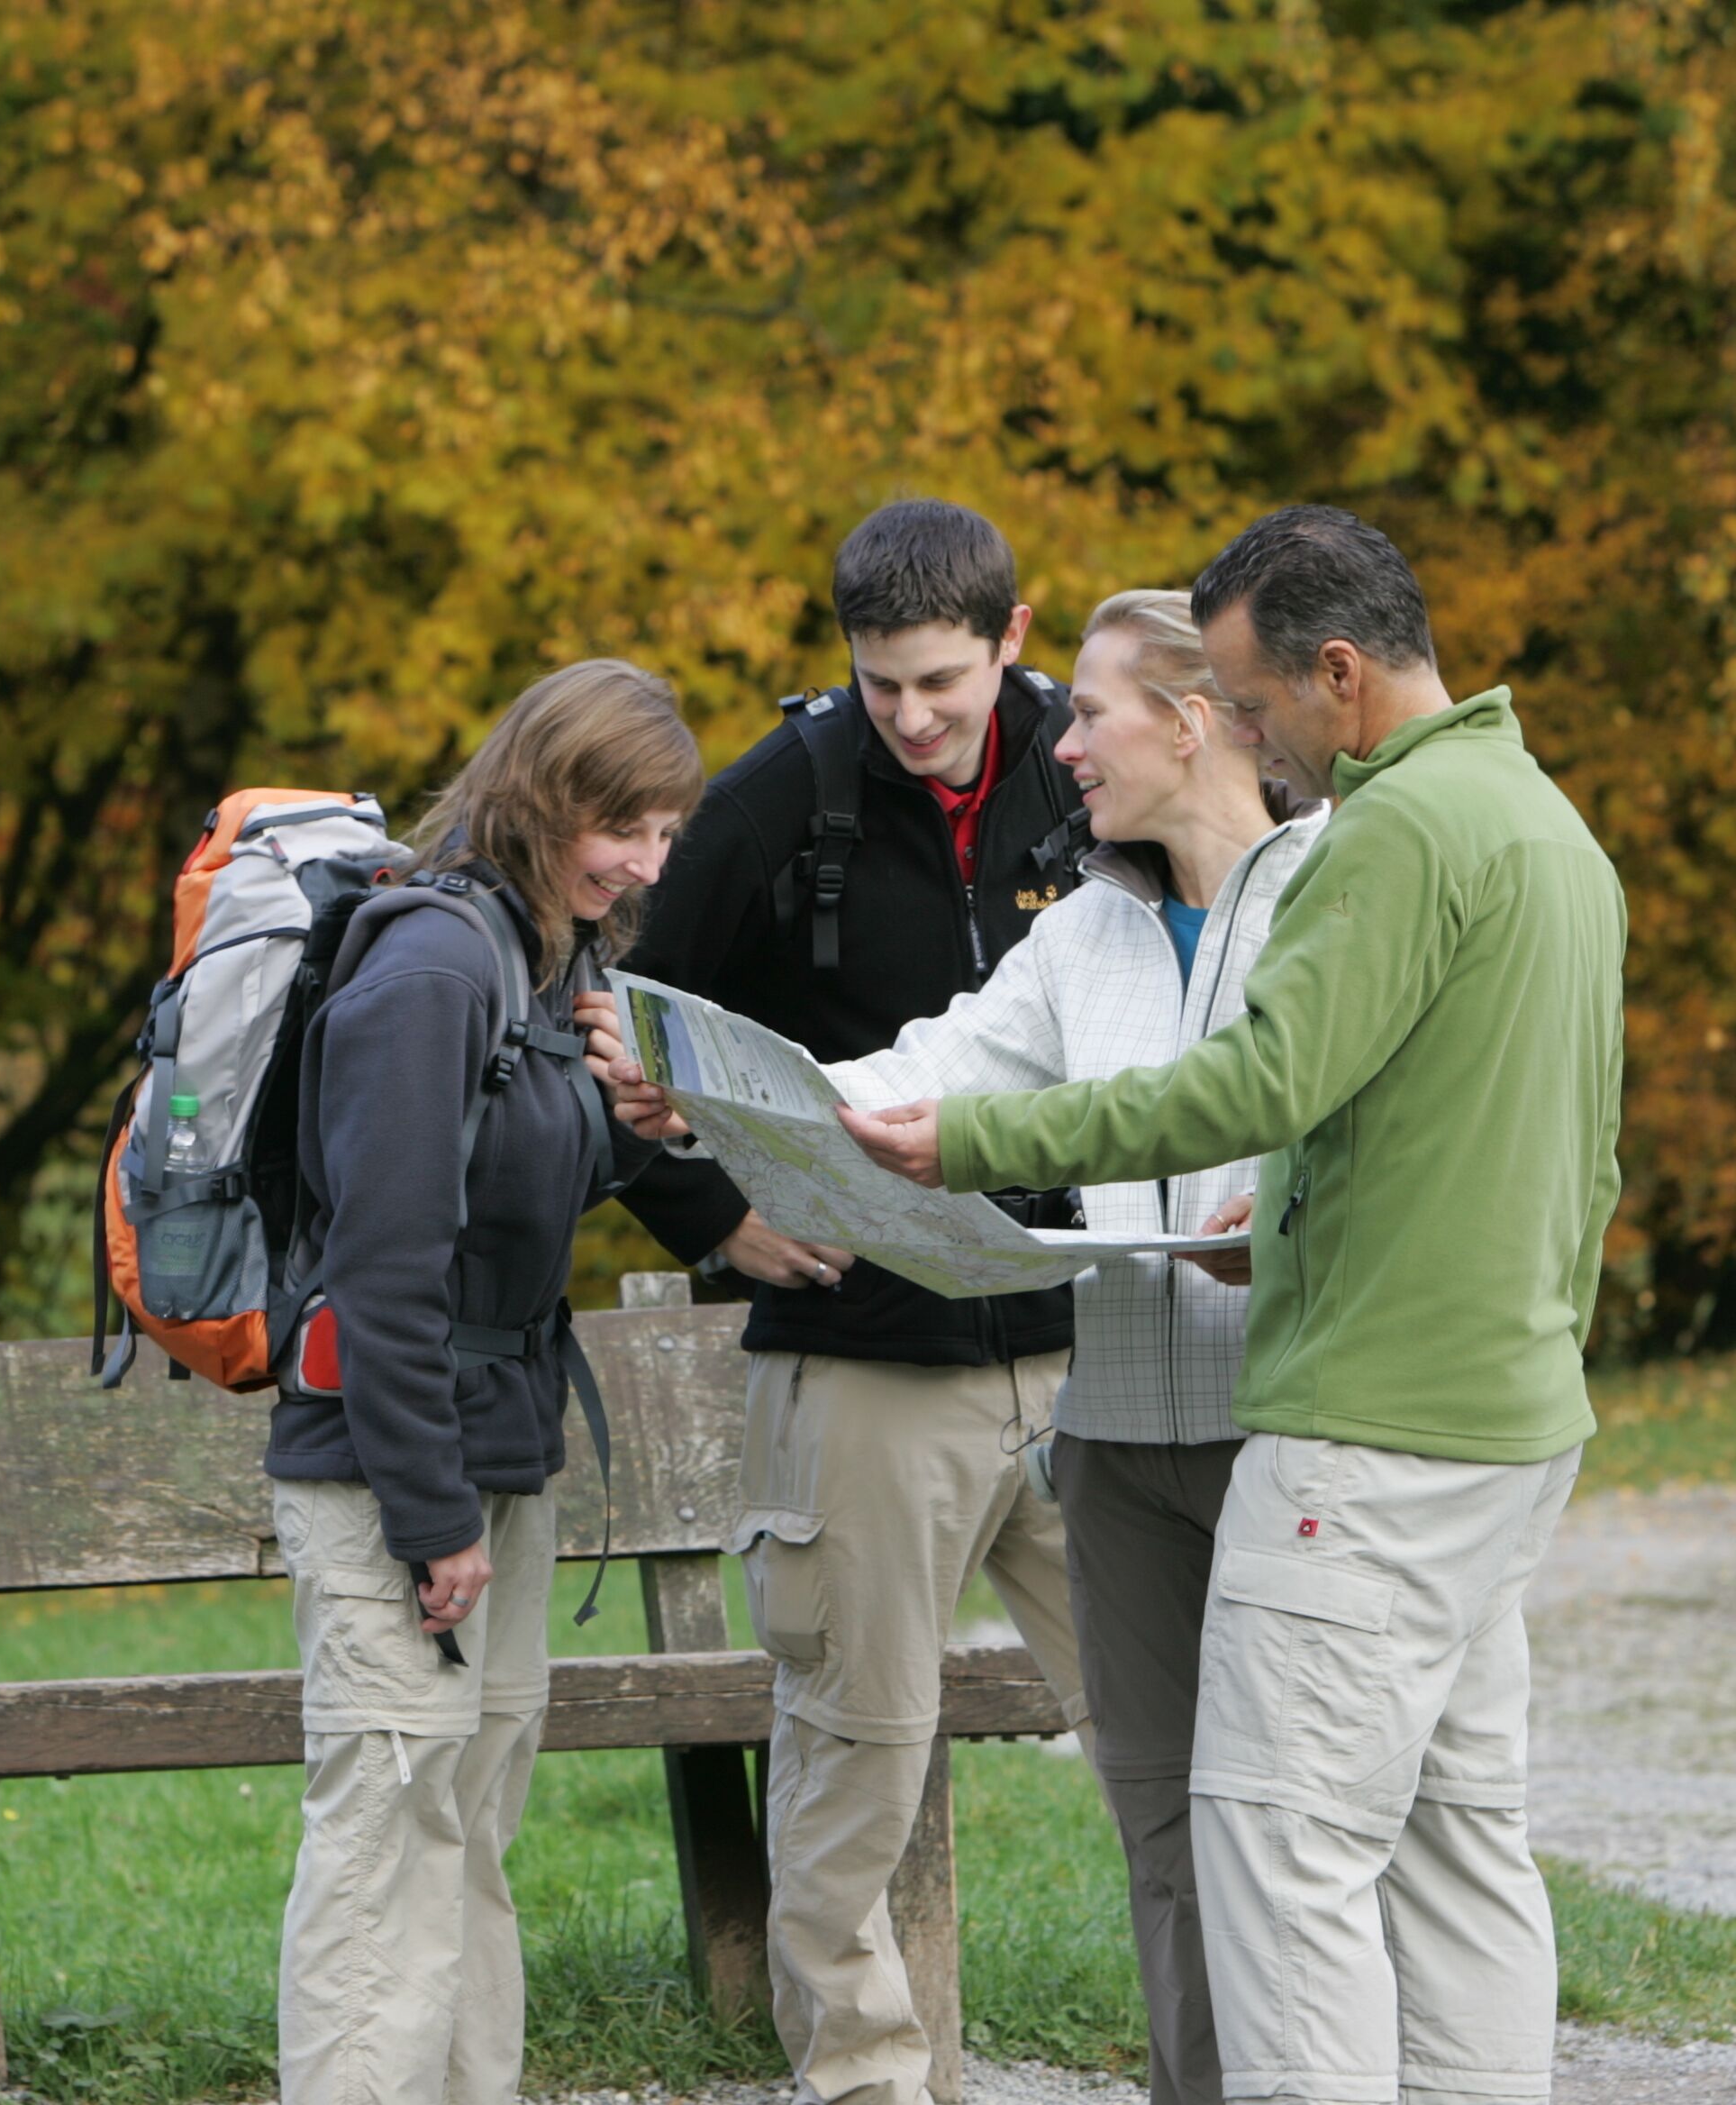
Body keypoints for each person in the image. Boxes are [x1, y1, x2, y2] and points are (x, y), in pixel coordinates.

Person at [832, 508, 1625, 2105]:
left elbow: (1259, 1082)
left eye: (1256, 704)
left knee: (1275, 1854)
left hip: (1364, 1440)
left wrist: (978, 1145)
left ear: (1341, 673)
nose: (1245, 735)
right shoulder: (1545, 826)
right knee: (1461, 1848)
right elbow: (1564, 1151)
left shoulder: (1392, 833)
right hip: (1505, 1426)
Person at [599, 498, 1094, 2105]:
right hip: (868, 1360)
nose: (914, 717)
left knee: (1186, 1728)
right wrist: (713, 1218)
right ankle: (868, 2084)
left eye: (944, 681)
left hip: (1091, 1346)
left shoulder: (1090, 770)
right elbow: (622, 1041)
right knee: (856, 1757)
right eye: (882, 683)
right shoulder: (775, 802)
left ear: (1016, 640)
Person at [813, 588, 1320, 2105]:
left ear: (1194, 719)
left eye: (1088, 713)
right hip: (1115, 1447)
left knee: (1297, 1823)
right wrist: (750, 1098)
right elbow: (938, 1065)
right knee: (1161, 1830)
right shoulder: (1082, 928)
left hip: (1288, 1427)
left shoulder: (1335, 893)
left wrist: (1281, 1208)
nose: (1061, 742)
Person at [268, 658, 700, 2105]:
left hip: (496, 1457)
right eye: (620, 827)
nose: (642, 865)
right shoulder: (434, 968)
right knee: (386, 1844)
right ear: (541, 795)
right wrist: (428, 1514)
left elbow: (518, 1193)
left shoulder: (546, 954)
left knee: (462, 1835)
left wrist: (630, 1125)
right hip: (398, 1472)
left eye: (663, 835)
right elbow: (386, 1269)